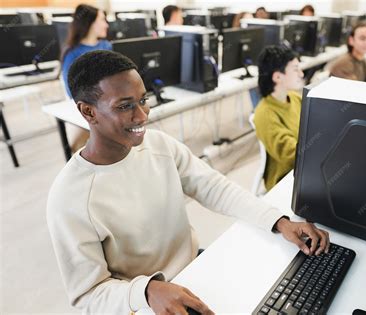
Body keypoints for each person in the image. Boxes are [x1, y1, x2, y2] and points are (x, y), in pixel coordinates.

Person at [46, 50, 330, 314]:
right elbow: (88, 295)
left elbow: (215, 187)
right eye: (125, 106)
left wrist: (278, 221)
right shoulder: (69, 198)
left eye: (143, 100)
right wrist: (145, 291)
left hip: (195, 269)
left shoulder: (158, 145)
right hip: (141, 302)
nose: (142, 115)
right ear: (88, 112)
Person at [253, 46, 305, 191]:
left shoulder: (294, 98)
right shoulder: (265, 114)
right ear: (277, 77)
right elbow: (291, 156)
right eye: (295, 69)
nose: (301, 74)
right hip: (286, 181)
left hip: (305, 169)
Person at [61, 4, 111, 152]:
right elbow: (72, 90)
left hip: (111, 101)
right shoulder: (73, 53)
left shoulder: (107, 45)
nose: (106, 24)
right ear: (90, 23)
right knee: (78, 146)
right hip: (91, 106)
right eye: (102, 20)